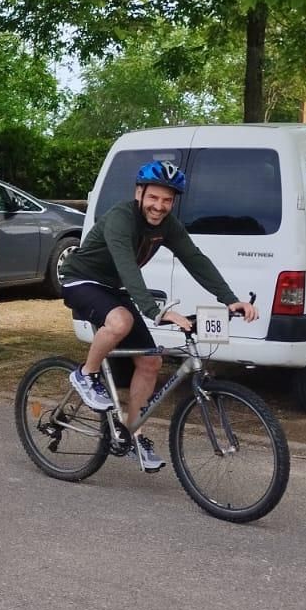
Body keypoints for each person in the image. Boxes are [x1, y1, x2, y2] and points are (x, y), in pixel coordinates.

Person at [58, 160, 260, 472]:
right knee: (121, 322)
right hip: (81, 280)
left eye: (167, 200)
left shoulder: (167, 226)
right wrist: (157, 312)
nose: (159, 206)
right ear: (139, 193)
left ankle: (132, 431)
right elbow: (126, 264)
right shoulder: (121, 218)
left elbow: (195, 259)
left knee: (151, 361)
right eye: (154, 198)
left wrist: (230, 299)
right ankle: (86, 374)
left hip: (113, 288)